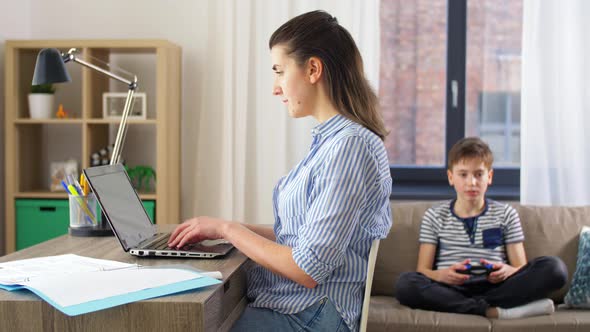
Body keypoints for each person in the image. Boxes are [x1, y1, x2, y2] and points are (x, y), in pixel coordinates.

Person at [168, 10, 392, 332]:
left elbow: (307, 268)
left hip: (309, 316)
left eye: (279, 71)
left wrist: (230, 230)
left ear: (313, 69)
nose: (276, 88)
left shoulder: (349, 147)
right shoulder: (331, 142)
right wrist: (220, 229)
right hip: (297, 308)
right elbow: (303, 238)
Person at [395, 137, 568, 319]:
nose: (472, 182)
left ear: (489, 177)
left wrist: (508, 271)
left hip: (498, 288)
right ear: (451, 177)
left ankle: (477, 306)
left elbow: (520, 268)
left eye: (479, 174)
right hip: (450, 290)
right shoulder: (434, 215)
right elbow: (423, 270)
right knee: (405, 284)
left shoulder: (506, 214)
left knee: (555, 268)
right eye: (463, 174)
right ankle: (489, 310)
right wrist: (441, 276)